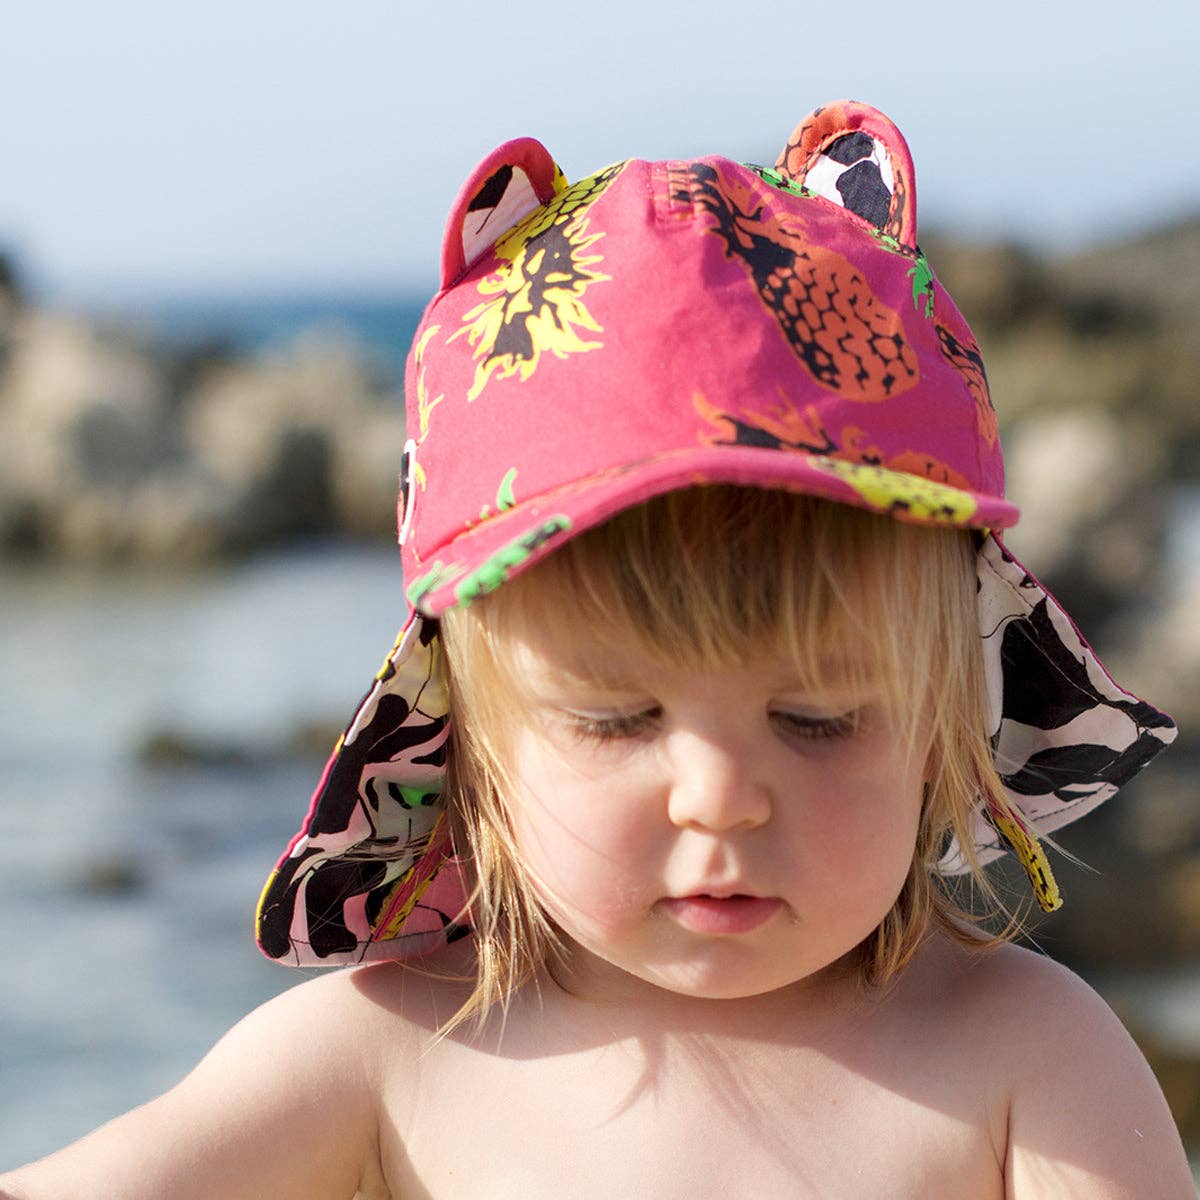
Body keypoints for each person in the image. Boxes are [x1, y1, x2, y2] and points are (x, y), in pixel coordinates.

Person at [2, 100, 1193, 1199]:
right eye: (619, 720)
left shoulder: (1027, 1060)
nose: (721, 799)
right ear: (466, 739)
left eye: (820, 718)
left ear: (946, 719)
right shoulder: (393, 1055)